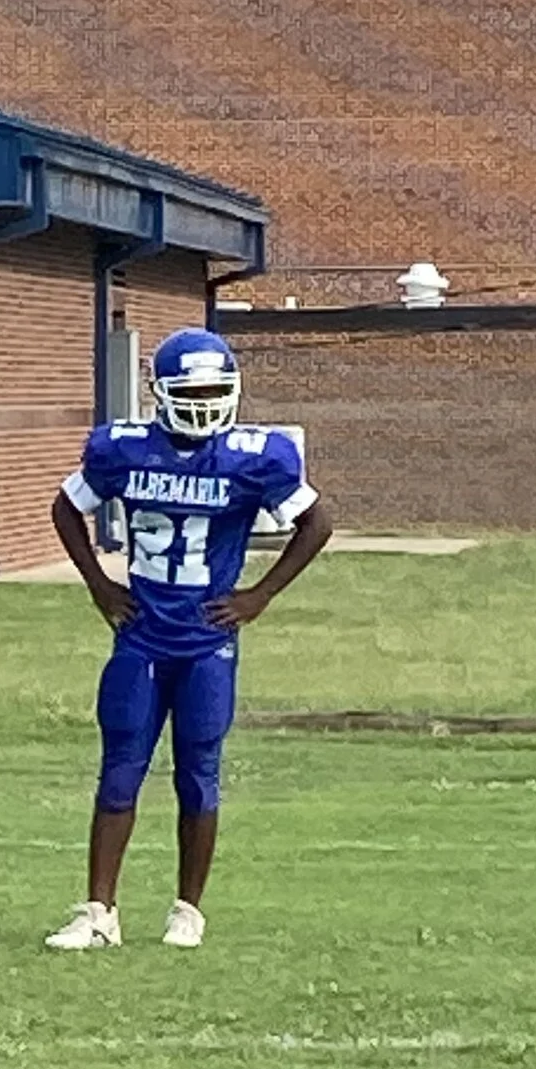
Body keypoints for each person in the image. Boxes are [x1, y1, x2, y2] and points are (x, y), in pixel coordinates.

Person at [44, 324, 334, 949]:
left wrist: (259, 595)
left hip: (206, 640)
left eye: (212, 391)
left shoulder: (255, 456)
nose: (203, 404)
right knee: (120, 769)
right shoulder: (124, 450)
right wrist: (99, 584)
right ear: (161, 393)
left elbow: (316, 522)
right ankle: (100, 912)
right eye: (191, 392)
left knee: (198, 773)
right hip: (143, 634)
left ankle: (188, 909)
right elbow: (66, 506)